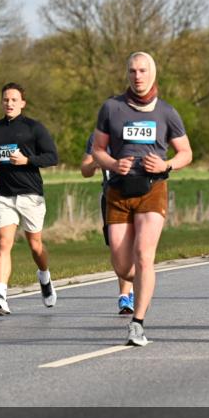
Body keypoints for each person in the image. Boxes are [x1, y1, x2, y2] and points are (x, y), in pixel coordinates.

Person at [92, 51, 193, 346]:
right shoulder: (111, 108)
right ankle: (137, 284)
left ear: (153, 74)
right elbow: (98, 149)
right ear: (127, 74)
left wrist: (166, 165)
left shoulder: (167, 112)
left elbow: (186, 153)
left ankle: (138, 323)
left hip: (153, 188)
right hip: (119, 190)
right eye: (133, 71)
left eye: (143, 70)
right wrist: (112, 164)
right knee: (123, 266)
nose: (138, 76)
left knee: (144, 256)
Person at [0, 82, 59, 315]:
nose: (9, 103)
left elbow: (52, 157)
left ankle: (44, 277)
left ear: (22, 103)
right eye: (6, 99)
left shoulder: (34, 128)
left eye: (14, 100)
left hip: (31, 195)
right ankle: (1, 295)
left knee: (35, 246)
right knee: (4, 244)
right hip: (4, 195)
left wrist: (27, 160)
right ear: (1, 102)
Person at [81, 132, 135, 314]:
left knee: (135, 245)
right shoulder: (97, 137)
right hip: (111, 197)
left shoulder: (136, 130)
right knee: (117, 247)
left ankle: (125, 296)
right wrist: (96, 163)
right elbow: (85, 171)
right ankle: (131, 288)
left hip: (139, 195)